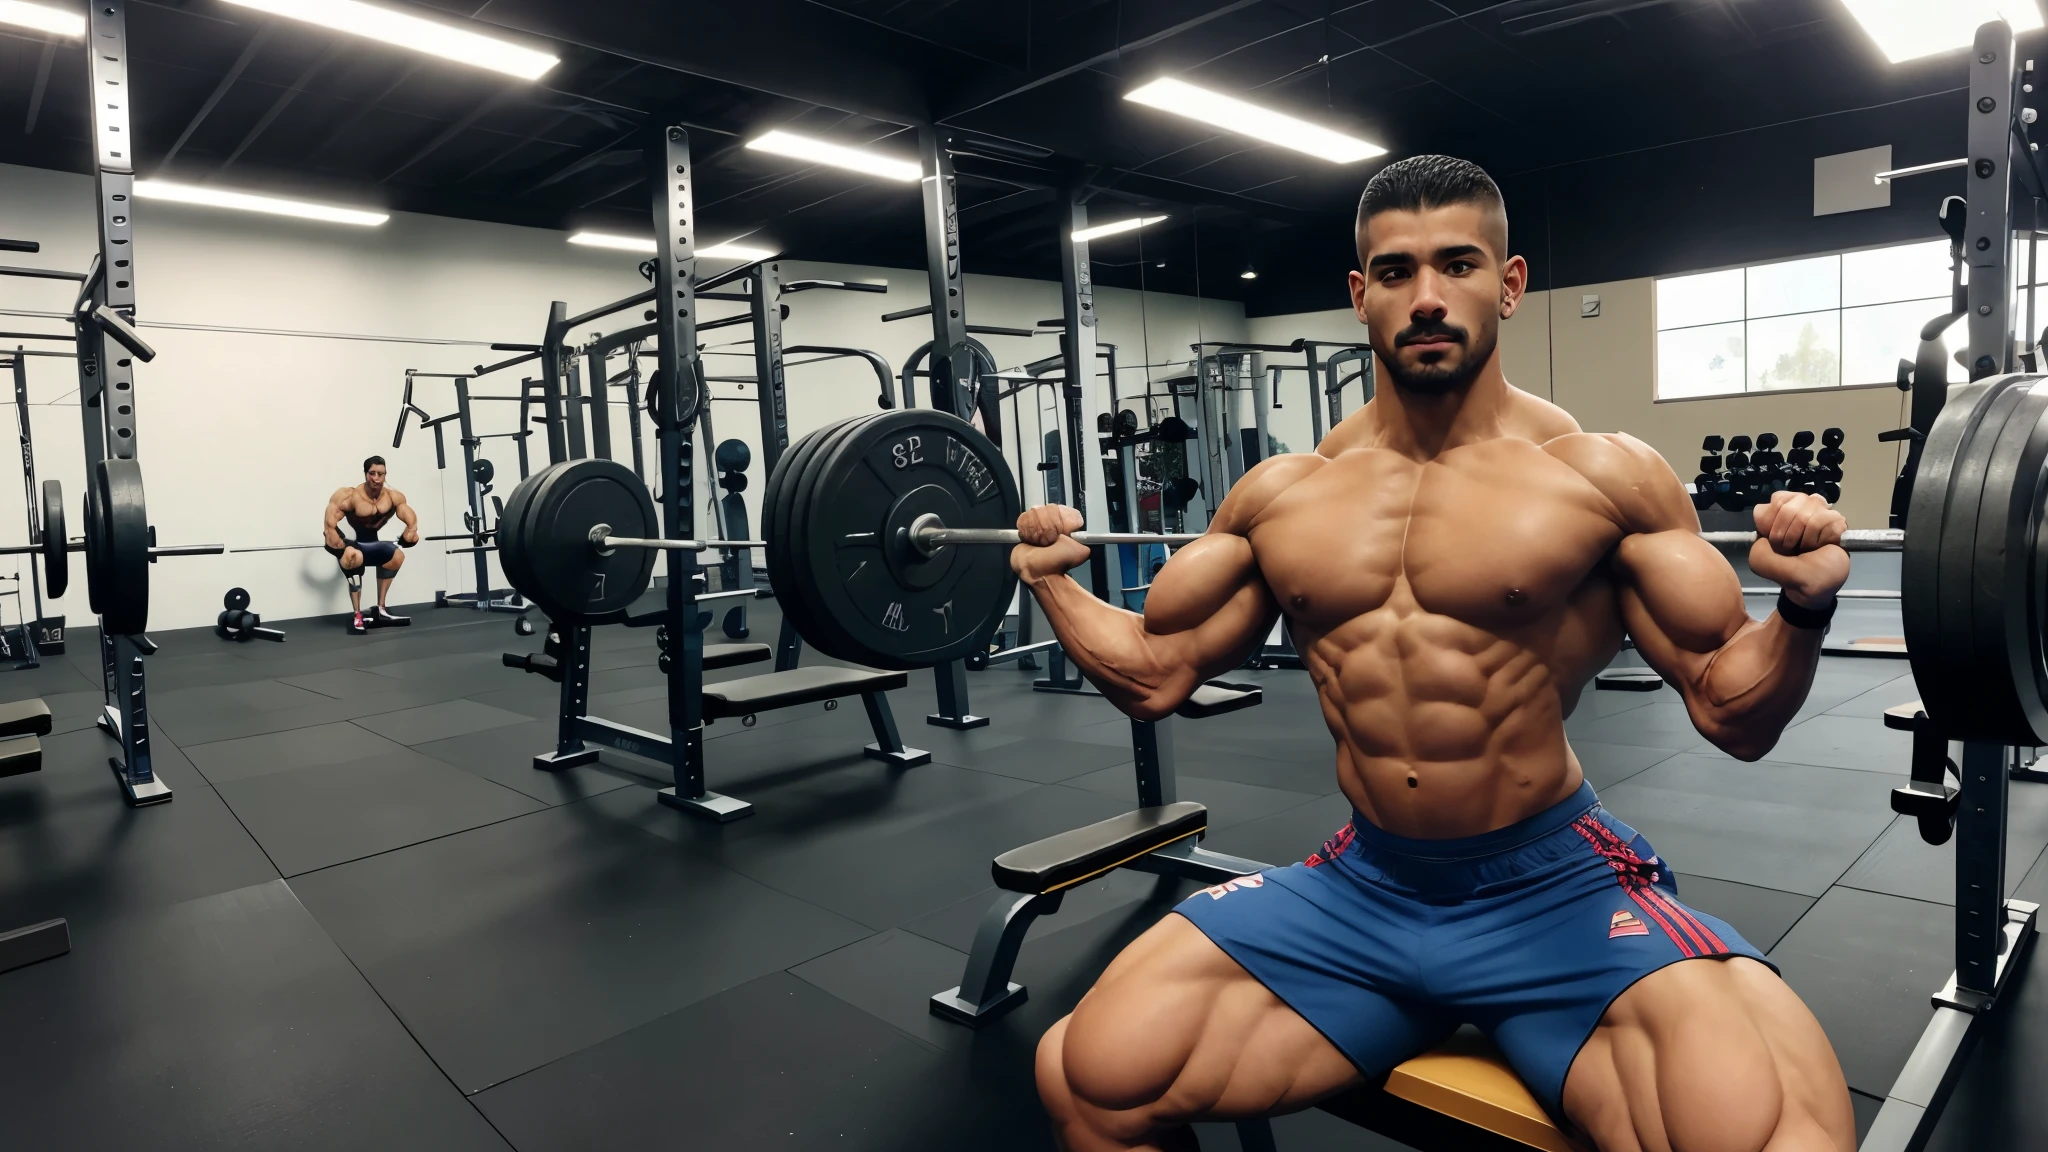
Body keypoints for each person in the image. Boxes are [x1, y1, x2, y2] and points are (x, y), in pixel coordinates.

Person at [1014, 155, 1855, 1152]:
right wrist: (1051, 581)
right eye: (1395, 271)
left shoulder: (1601, 478)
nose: (1425, 298)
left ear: (1507, 285)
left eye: (1456, 265)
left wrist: (1800, 613)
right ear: (1357, 294)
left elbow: (1730, 711)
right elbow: (1154, 672)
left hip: (1551, 888)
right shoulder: (1285, 493)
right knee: (1088, 1074)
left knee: (1772, 1136)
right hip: (1366, 886)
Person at [324, 455, 418, 634]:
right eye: (372, 473)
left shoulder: (393, 497)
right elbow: (329, 527)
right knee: (354, 556)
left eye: (380, 474)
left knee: (397, 555)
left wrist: (411, 532)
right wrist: (340, 547)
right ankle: (357, 614)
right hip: (353, 545)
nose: (376, 478)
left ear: (385, 475)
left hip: (372, 544)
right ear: (365, 474)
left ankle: (381, 608)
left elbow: (411, 521)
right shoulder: (348, 496)